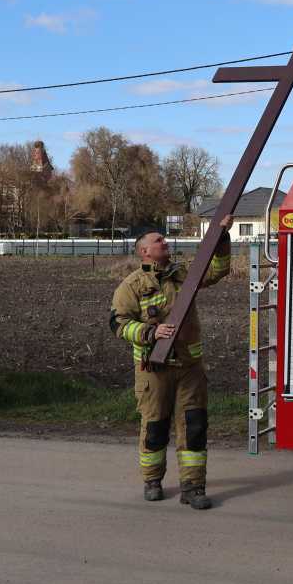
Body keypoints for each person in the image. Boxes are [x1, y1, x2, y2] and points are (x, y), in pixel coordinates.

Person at [110, 217, 233, 509]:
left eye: (164, 239)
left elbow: (217, 270)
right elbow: (118, 323)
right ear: (144, 252)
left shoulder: (184, 275)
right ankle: (152, 481)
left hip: (190, 368)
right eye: (158, 240)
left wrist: (222, 238)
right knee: (155, 428)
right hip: (153, 371)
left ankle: (193, 487)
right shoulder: (132, 286)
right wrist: (149, 332)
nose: (165, 242)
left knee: (194, 426)